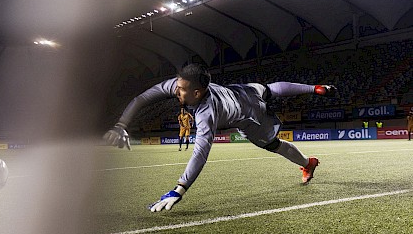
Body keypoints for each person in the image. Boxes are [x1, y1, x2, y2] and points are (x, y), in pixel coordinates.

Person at [104, 63, 337, 212]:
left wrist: (179, 189)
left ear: (197, 93)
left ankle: (309, 163)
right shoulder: (180, 86)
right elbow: (143, 98)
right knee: (265, 88)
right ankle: (309, 158)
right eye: (176, 85)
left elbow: (201, 152)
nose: (176, 91)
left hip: (249, 114)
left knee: (273, 144)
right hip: (242, 89)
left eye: (182, 89)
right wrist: (121, 125)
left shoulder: (206, 114)